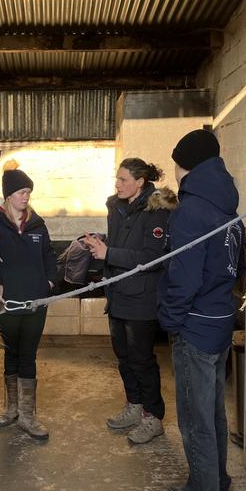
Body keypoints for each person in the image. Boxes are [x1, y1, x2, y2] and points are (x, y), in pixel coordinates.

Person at [158, 129, 244, 491]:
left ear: (184, 164)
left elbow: (184, 277)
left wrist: (171, 320)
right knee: (213, 413)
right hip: (221, 321)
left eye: (176, 163)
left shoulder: (191, 210)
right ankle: (214, 487)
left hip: (195, 327)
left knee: (196, 422)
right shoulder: (227, 206)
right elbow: (235, 268)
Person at [84, 158, 177, 444]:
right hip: (118, 294)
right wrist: (100, 244)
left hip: (142, 298)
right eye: (117, 178)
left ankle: (153, 418)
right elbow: (122, 246)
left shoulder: (156, 211)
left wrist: (108, 253)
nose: (118, 184)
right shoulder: (117, 207)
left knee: (141, 360)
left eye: (124, 179)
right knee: (124, 357)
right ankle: (135, 406)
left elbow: (153, 258)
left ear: (140, 181)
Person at [0, 161, 57, 440]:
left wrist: (50, 282)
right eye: (21, 191)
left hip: (35, 303)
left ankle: (28, 416)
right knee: (11, 353)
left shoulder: (37, 225)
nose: (26, 196)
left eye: (28, 191)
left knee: (28, 355)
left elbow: (49, 255)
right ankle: (11, 409)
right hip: (7, 303)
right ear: (8, 196)